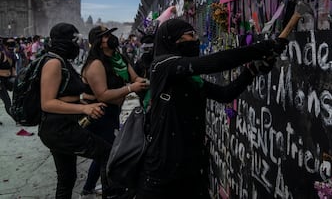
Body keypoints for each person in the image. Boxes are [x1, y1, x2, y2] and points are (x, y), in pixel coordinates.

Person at [135, 18, 288, 198]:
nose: (196, 39)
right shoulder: (162, 66)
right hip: (161, 177)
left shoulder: (191, 78)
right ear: (173, 39)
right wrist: (264, 47)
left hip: (191, 171)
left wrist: (252, 70)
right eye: (190, 35)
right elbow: (214, 63)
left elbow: (225, 94)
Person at [37, 23, 117, 199]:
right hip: (59, 129)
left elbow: (64, 96)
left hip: (60, 127)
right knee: (108, 154)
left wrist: (84, 103)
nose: (77, 43)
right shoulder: (54, 63)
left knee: (66, 179)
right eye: (74, 39)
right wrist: (84, 107)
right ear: (64, 41)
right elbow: (47, 103)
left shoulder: (61, 61)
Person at [80, 26, 149, 197]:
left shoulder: (119, 58)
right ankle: (110, 193)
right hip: (98, 114)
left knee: (106, 152)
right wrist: (130, 88)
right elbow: (102, 95)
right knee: (109, 153)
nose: (111, 37)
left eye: (110, 34)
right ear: (99, 42)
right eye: (105, 36)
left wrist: (147, 82)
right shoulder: (96, 64)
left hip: (113, 112)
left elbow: (135, 78)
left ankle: (89, 187)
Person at [0, 38, 17, 123]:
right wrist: (3, 73)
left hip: (6, 81)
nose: (12, 46)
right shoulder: (1, 55)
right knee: (7, 101)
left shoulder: (12, 55)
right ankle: (16, 118)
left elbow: (13, 69)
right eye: (9, 44)